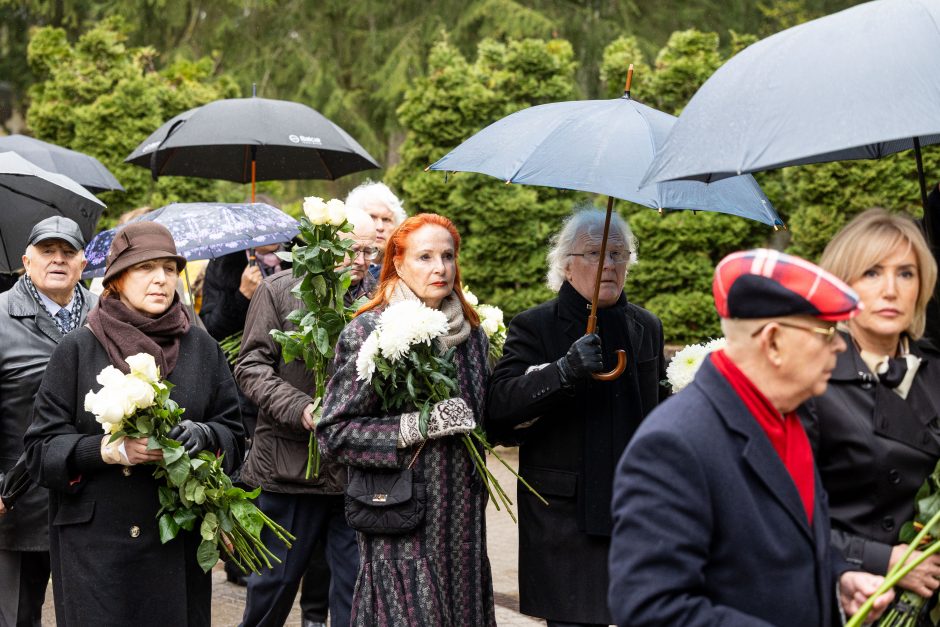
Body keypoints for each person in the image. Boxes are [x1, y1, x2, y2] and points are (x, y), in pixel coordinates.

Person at [608, 248, 894, 627]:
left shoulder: (789, 418)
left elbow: (787, 550)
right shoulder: (673, 445)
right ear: (773, 341)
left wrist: (837, 580)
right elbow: (651, 608)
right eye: (828, 333)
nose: (841, 347)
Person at [23, 222, 244, 627]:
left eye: (169, 268)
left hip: (174, 547)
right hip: (97, 552)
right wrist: (106, 451)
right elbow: (40, 451)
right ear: (117, 278)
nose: (161, 279)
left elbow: (234, 433)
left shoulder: (202, 348)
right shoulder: (78, 347)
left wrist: (204, 434)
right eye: (146, 268)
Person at [486, 208, 667, 626]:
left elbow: (657, 408)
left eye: (620, 255)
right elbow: (499, 409)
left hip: (635, 511)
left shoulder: (647, 326)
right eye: (595, 254)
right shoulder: (535, 326)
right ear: (566, 266)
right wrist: (562, 370)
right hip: (566, 520)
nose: (610, 265)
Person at [318, 213, 496, 626]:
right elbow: (333, 433)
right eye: (425, 257)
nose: (440, 268)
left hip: (464, 526)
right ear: (397, 264)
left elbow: (487, 415)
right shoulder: (371, 331)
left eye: (448, 256)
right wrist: (414, 426)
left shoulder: (472, 334)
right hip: (402, 522)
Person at [235, 209, 378, 627]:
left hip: (354, 471)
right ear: (324, 242)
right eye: (352, 249)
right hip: (289, 468)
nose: (362, 260)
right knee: (272, 590)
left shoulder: (380, 298)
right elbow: (250, 367)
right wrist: (301, 408)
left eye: (370, 250)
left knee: (354, 594)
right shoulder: (280, 290)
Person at [798, 209, 940, 609]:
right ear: (842, 283)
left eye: (906, 273)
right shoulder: (811, 381)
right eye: (872, 273)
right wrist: (885, 560)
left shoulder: (936, 372)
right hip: (851, 597)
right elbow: (783, 513)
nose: (891, 290)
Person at [0, 217, 96, 627]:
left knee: (95, 612)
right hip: (18, 499)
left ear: (83, 263)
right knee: (16, 616)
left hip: (92, 495)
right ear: (27, 260)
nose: (58, 259)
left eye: (68, 252)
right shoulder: (1, 317)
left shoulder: (107, 312)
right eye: (47, 251)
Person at [344, 181, 406, 280]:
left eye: (386, 219)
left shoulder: (405, 270)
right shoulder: (339, 267)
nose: (380, 227)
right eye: (372, 217)